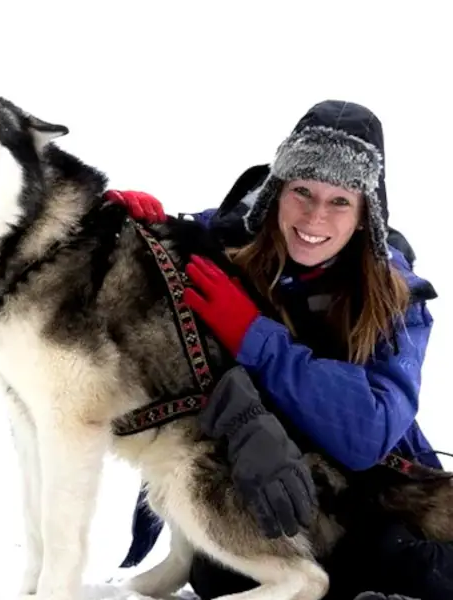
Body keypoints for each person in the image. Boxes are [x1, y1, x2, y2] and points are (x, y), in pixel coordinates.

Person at [105, 100, 453, 600]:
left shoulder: (397, 297)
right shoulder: (226, 245)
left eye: (340, 202)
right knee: (219, 575)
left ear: (364, 217)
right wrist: (141, 227)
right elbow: (164, 257)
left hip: (380, 489)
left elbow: (367, 431)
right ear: (276, 193)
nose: (315, 216)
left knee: (401, 562)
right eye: (302, 191)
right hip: (267, 475)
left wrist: (254, 337)